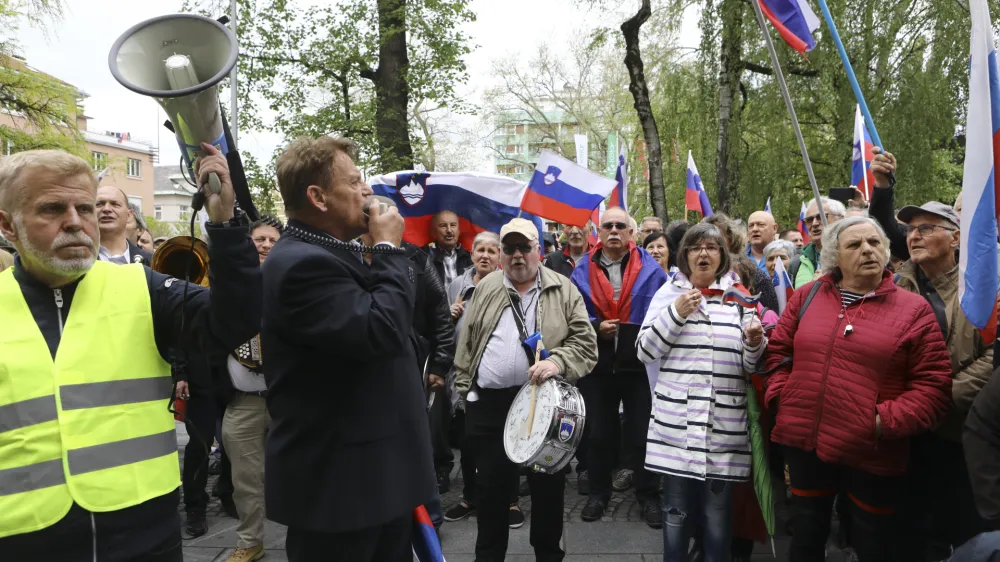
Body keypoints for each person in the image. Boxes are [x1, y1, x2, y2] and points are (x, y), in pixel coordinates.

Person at [0, 147, 261, 561]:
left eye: (83, 207)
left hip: (144, 533)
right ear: (7, 225)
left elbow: (240, 321)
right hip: (23, 538)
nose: (75, 221)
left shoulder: (143, 286)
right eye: (52, 209)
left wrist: (225, 224)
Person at [262, 136, 435, 561]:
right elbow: (380, 331)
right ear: (317, 197)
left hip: (374, 482)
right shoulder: (303, 263)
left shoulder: (332, 253)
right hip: (341, 494)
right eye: (355, 182)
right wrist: (390, 250)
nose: (367, 192)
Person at [764, 216, 953, 562]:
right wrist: (783, 397)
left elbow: (933, 387)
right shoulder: (807, 296)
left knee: (874, 543)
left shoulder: (914, 310)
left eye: (874, 243)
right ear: (835, 256)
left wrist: (880, 422)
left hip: (873, 452)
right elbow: (779, 352)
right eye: (855, 244)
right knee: (806, 535)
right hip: (806, 443)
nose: (867, 250)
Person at [454, 218, 598, 561]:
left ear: (540, 251)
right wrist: (466, 390)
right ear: (502, 254)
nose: (517, 255)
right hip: (489, 406)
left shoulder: (563, 288)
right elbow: (468, 342)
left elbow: (586, 344)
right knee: (490, 492)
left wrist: (557, 362)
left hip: (543, 406)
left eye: (524, 248)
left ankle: (548, 556)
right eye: (510, 249)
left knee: (547, 490)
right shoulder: (487, 286)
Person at [636, 222, 766, 562]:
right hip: (676, 427)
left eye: (712, 247)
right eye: (696, 247)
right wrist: (676, 313)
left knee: (718, 517)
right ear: (685, 256)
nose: (704, 253)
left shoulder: (739, 298)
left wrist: (755, 342)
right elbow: (645, 351)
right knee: (675, 513)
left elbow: (750, 365)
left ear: (722, 256)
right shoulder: (667, 294)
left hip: (721, 426)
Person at [887, 202, 993, 560]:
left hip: (962, 435)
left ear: (956, 237)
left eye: (927, 228)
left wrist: (939, 398)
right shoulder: (892, 288)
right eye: (911, 229)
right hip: (905, 438)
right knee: (910, 534)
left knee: (965, 535)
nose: (914, 235)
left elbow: (995, 355)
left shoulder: (985, 287)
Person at [571, 207, 668, 529]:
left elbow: (662, 312)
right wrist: (596, 327)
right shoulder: (581, 270)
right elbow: (572, 315)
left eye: (620, 226)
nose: (614, 230)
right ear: (599, 232)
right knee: (599, 435)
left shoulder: (652, 270)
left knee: (642, 434)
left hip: (638, 365)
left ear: (631, 233)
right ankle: (598, 493)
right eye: (608, 225)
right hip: (597, 366)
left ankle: (648, 495)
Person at [443, 232, 523, 527]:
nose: (486, 255)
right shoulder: (457, 286)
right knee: (468, 441)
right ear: (472, 253)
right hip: (464, 377)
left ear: (500, 255)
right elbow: (443, 330)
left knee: (506, 441)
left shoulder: (509, 285)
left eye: (492, 250)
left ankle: (511, 501)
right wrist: (449, 316)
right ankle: (470, 497)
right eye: (481, 250)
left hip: (498, 377)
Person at [220, 216, 282, 562]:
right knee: (244, 478)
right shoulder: (231, 285)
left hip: (286, 398)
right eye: (259, 239)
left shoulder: (293, 282)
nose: (266, 245)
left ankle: (308, 536)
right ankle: (250, 540)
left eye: (273, 240)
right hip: (242, 400)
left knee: (299, 470)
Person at [705, 213, 779, 314]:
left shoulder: (755, 276)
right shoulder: (694, 276)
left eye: (718, 236)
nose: (711, 242)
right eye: (705, 237)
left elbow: (771, 319)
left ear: (731, 239)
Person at [787, 197, 847, 288]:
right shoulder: (796, 263)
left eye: (821, 217)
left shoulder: (852, 256)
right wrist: (815, 287)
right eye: (809, 220)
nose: (814, 223)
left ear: (840, 219)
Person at [96, 185, 151, 265]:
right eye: (100, 204)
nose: (106, 209)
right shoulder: (75, 258)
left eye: (115, 204)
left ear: (128, 215)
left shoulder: (151, 262)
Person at [426, 209, 473, 287]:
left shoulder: (471, 258)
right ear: (434, 231)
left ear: (459, 230)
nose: (449, 230)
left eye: (453, 225)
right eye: (443, 225)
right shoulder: (424, 256)